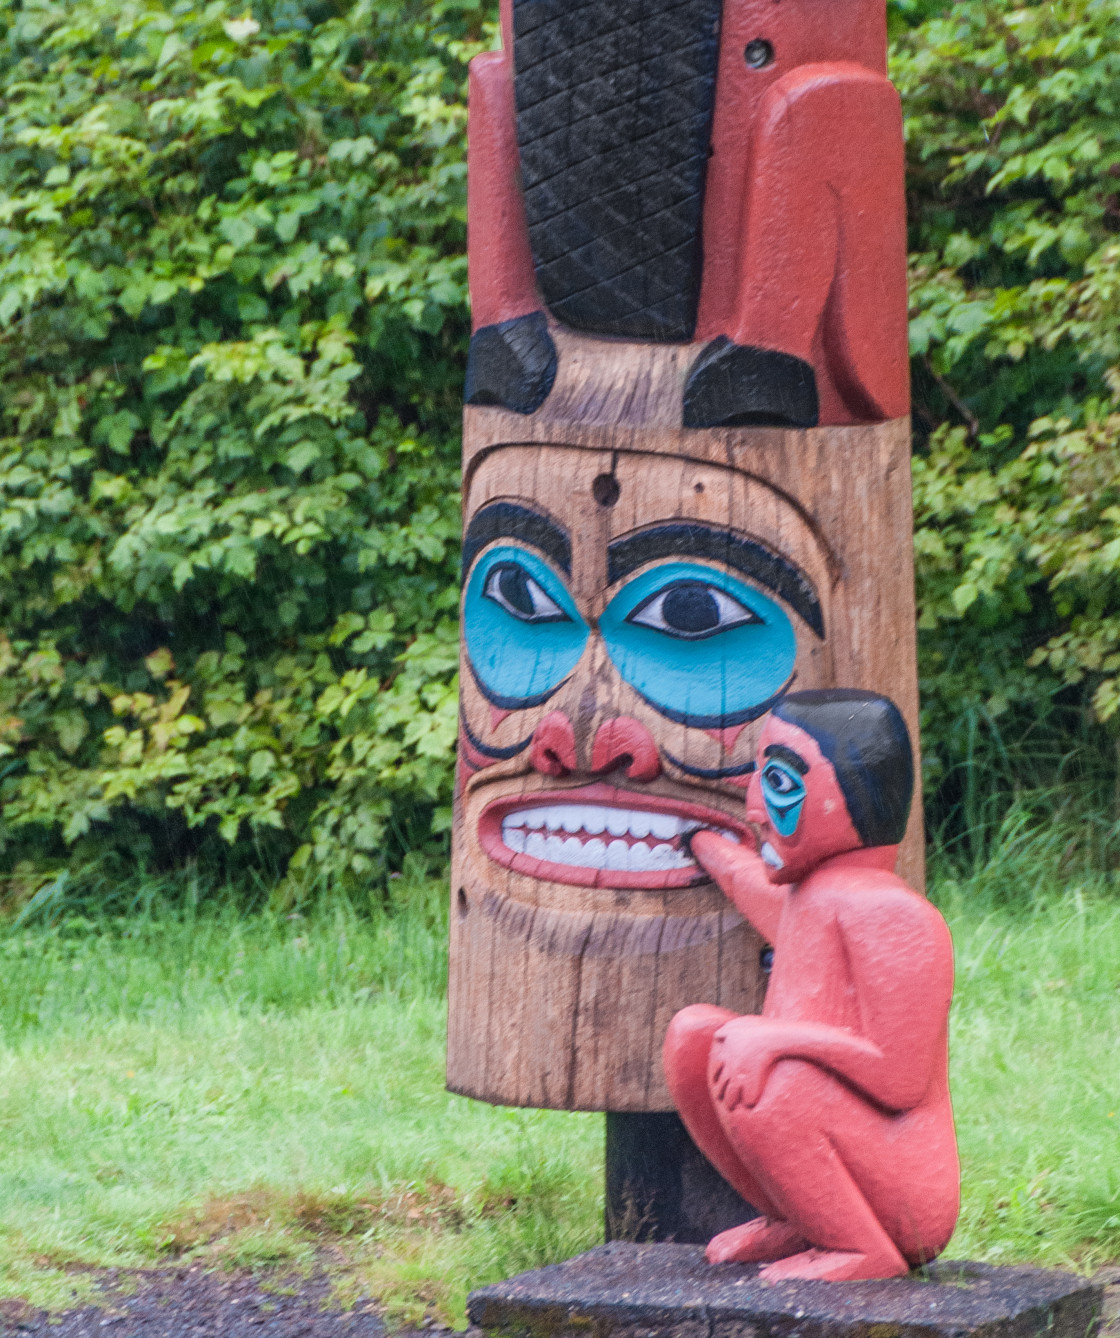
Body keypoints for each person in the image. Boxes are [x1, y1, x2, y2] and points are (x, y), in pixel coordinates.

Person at [663, 689, 959, 1281]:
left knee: (774, 1070)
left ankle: (860, 1248)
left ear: (853, 794)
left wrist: (776, 1040)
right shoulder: (816, 895)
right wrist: (703, 842)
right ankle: (799, 1218)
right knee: (695, 1036)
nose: (752, 804)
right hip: (844, 1148)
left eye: (778, 783)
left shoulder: (889, 913)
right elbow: (760, 892)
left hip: (902, 1185)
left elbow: (899, 1079)